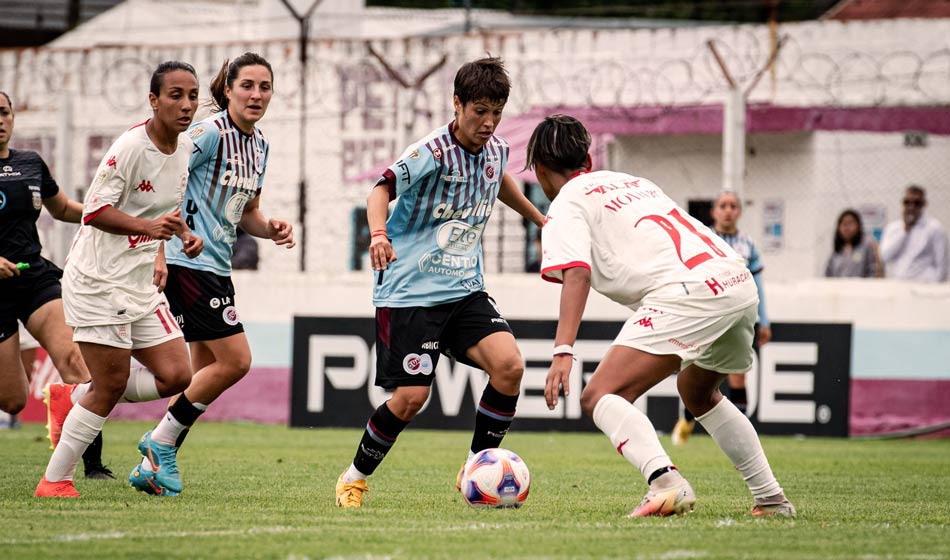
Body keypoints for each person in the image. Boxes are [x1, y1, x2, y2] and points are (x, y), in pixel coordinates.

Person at [535, 115, 794, 518]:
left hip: (687, 293)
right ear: (587, 158)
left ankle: (665, 482)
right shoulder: (633, 181)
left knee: (600, 394)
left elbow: (577, 273)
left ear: (539, 170)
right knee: (698, 390)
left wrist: (563, 349)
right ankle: (772, 499)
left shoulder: (566, 202)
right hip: (737, 280)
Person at [334, 57, 545, 508]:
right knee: (411, 398)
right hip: (410, 292)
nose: (488, 122)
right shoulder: (429, 152)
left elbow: (498, 181)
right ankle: (353, 478)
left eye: (497, 112)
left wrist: (538, 218)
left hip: (465, 289)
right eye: (479, 111)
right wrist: (378, 234)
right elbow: (380, 189)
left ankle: (476, 468)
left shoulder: (496, 149)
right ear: (457, 104)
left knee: (509, 366)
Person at [34, 61, 205, 498]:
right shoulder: (130, 147)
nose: (186, 105)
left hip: (138, 282)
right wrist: (148, 231)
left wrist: (182, 235)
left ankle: (71, 400)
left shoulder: (184, 149)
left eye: (192, 95)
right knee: (108, 386)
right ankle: (55, 481)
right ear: (153, 100)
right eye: (175, 95)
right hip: (97, 281)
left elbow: (163, 211)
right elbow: (93, 212)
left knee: (176, 375)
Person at [129, 52, 294, 496]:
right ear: (227, 90)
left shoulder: (260, 145)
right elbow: (165, 181)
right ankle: (159, 442)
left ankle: (150, 464)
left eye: (265, 86)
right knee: (236, 361)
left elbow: (248, 213)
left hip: (217, 267)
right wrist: (158, 251)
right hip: (187, 262)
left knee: (197, 377)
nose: (257, 94)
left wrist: (270, 228)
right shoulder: (207, 133)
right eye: (247, 86)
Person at [0, 91, 113, 476]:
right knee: (13, 400)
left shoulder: (31, 163)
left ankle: (93, 465)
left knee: (75, 360)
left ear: (13, 117)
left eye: (4, 112)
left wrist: (112, 217)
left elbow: (62, 208)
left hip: (34, 277)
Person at [671, 190, 769, 445]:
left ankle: (739, 435)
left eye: (733, 206)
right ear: (713, 211)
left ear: (739, 212)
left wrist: (765, 320)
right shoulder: (702, 238)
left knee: (738, 375)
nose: (728, 210)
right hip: (706, 315)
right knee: (694, 370)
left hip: (738, 317)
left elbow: (757, 283)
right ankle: (686, 421)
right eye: (723, 205)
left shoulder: (748, 244)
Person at [880, 185, 948, 282]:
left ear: (924, 204)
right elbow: (885, 256)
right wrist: (905, 231)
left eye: (917, 203)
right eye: (907, 202)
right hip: (896, 286)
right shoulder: (893, 228)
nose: (911, 207)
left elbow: (942, 265)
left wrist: (934, 289)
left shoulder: (935, 228)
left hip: (924, 288)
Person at [825, 209, 883, 278]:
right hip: (838, 288)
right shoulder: (837, 251)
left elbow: (873, 272)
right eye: (843, 224)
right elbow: (828, 274)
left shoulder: (867, 245)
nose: (846, 228)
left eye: (850, 223)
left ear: (858, 226)